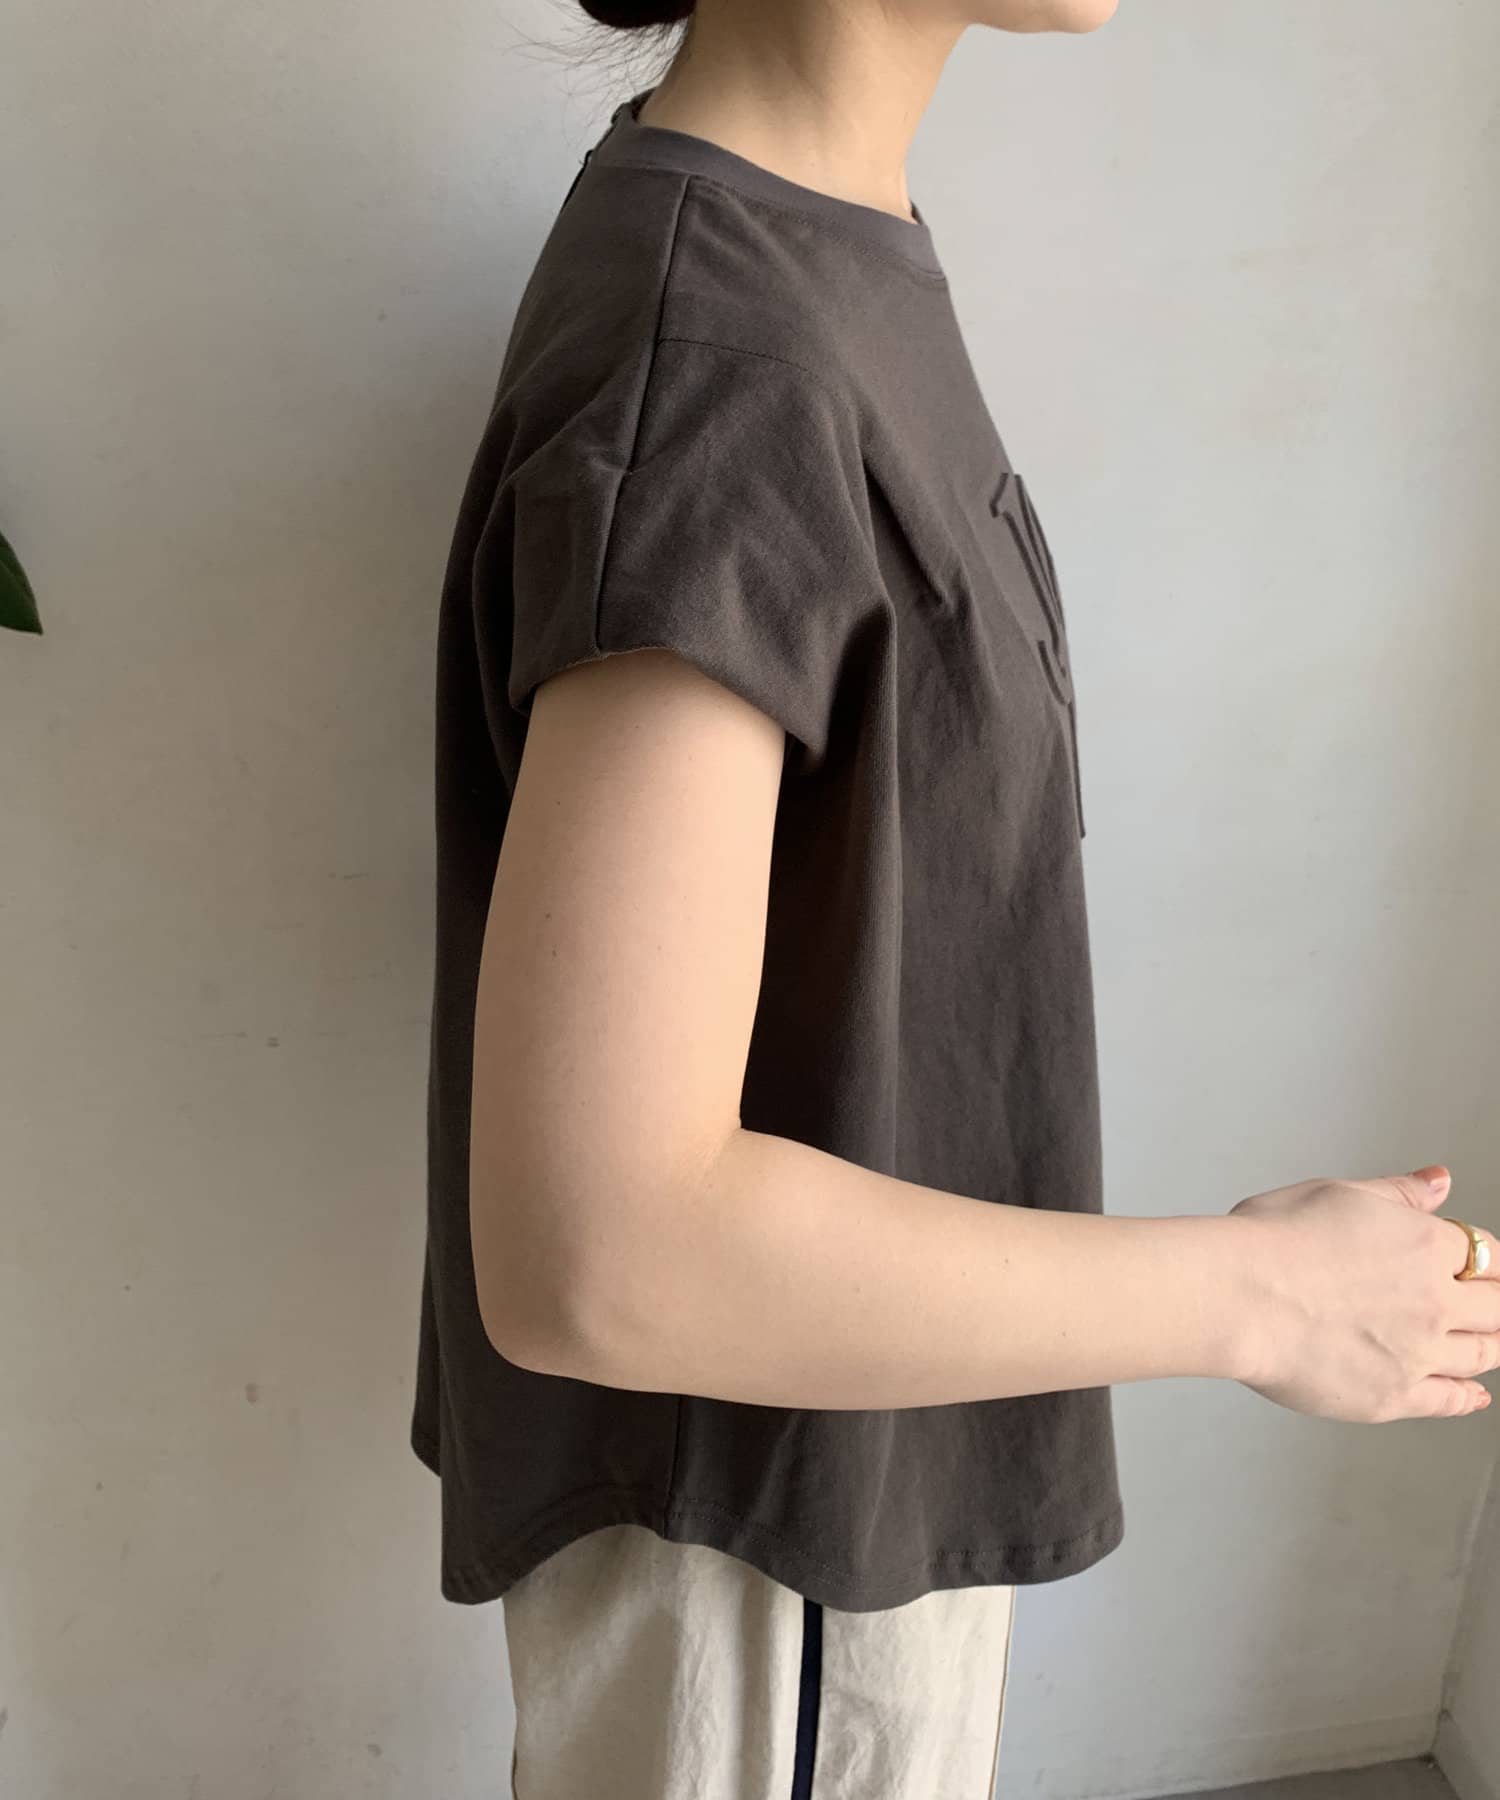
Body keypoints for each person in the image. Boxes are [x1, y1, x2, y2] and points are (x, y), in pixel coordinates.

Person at [408, 3, 1500, 1794]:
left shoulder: (819, 241)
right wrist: (1266, 1299)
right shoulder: (727, 360)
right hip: (769, 1563)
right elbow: (604, 1249)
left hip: (834, 1489)